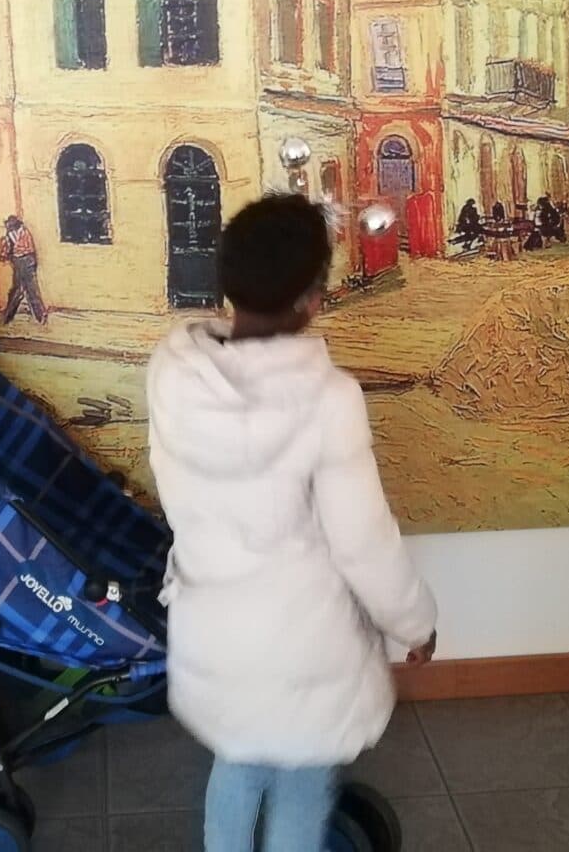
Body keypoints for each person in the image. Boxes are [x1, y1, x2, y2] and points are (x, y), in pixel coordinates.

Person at [146, 195, 437, 852]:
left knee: (236, 764)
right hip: (306, 648)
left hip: (215, 633)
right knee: (302, 785)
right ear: (312, 299)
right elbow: (364, 544)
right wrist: (414, 623)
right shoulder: (327, 401)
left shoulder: (174, 376)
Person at [0, 214, 48, 324]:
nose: (9, 227)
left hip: (26, 260)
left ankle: (39, 315)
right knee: (19, 289)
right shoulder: (9, 234)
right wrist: (5, 251)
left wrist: (10, 253)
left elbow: (24, 249)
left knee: (28, 289)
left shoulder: (24, 233)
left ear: (16, 225)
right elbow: (8, 249)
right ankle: (8, 316)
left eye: (10, 225)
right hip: (18, 262)